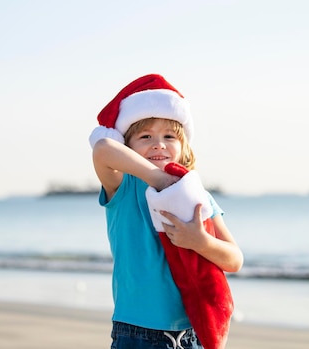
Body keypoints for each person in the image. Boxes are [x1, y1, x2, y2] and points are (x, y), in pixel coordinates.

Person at [89, 74, 243, 349]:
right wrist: (159, 179)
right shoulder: (122, 187)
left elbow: (234, 259)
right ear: (127, 145)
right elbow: (102, 148)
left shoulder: (196, 194)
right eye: (145, 136)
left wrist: (201, 242)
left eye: (169, 136)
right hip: (136, 332)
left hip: (191, 334)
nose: (158, 143)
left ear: (184, 147)